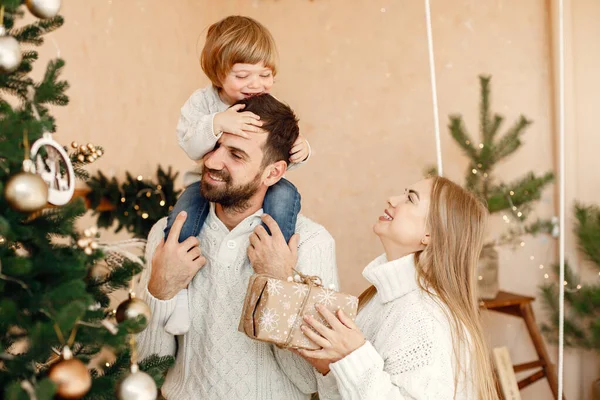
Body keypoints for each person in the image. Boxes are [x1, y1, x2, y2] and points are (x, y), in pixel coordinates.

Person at [135, 94, 338, 399]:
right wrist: (159, 289)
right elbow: (146, 366)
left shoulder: (311, 243)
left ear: (273, 173)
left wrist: (281, 284)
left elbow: (310, 381)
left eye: (236, 154)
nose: (212, 161)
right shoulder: (167, 236)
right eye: (215, 146)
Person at [163, 15, 311, 335]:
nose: (255, 84)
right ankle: (181, 293)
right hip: (209, 182)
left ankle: (275, 274)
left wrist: (301, 149)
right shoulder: (202, 102)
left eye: (265, 74)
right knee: (184, 211)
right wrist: (217, 123)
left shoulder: (265, 104)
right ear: (219, 73)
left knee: (285, 195)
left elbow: (277, 150)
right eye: (243, 75)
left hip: (259, 180)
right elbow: (189, 143)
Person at [298, 176, 498, 400]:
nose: (392, 200)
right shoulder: (379, 298)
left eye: (410, 199)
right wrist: (330, 367)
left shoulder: (428, 321)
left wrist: (353, 356)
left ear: (430, 234)